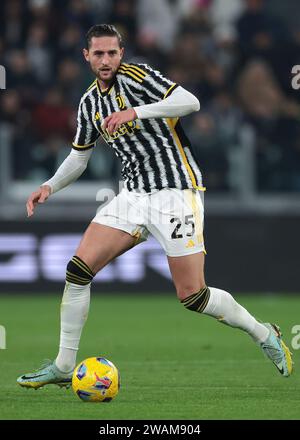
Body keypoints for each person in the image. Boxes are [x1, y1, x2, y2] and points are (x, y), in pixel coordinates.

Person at [17, 24, 292, 389]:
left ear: (121, 53)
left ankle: (263, 333)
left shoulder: (138, 77)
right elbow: (79, 157)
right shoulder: (89, 103)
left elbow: (190, 102)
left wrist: (137, 113)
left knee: (192, 295)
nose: (106, 60)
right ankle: (65, 366)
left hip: (176, 191)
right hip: (132, 195)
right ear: (86, 56)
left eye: (112, 53)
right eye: (98, 53)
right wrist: (49, 186)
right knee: (78, 270)